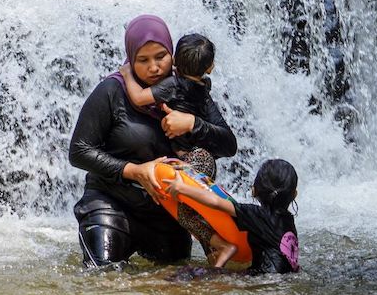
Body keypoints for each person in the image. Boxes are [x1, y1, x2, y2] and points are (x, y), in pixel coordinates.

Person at [69, 14, 238, 266]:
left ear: (174, 56)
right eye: (142, 60)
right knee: (102, 279)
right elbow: (79, 151)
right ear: (130, 58)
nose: (154, 68)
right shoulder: (112, 90)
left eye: (161, 57)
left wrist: (193, 123)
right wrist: (134, 170)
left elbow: (228, 145)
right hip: (112, 204)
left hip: (167, 215)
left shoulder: (188, 90)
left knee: (178, 284)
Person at [121, 32, 229, 261]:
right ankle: (217, 256)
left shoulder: (172, 84)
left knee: (185, 213)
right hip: (203, 159)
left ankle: (220, 245)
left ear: (174, 63)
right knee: (200, 209)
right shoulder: (204, 90)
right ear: (210, 68)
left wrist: (127, 73)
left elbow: (139, 98)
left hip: (189, 162)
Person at [167, 158, 300, 273]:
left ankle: (223, 251)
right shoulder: (288, 219)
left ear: (253, 191)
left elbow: (216, 201)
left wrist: (181, 188)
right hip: (287, 277)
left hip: (264, 280)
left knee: (184, 274)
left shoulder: (257, 215)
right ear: (294, 194)